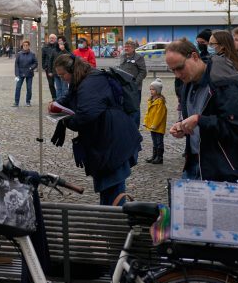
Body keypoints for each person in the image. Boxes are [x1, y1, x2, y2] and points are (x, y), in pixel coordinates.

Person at [51, 54, 142, 205]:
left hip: (111, 139)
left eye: (63, 75)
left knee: (113, 185)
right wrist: (56, 104)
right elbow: (70, 95)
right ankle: (107, 214)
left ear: (72, 70)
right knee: (108, 184)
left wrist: (65, 120)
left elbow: (86, 115)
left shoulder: (90, 82)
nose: (62, 78)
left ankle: (113, 220)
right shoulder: (83, 78)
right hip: (106, 136)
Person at [165, 38, 238, 182]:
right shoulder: (187, 84)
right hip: (194, 166)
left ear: (194, 56)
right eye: (173, 70)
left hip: (223, 172)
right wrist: (183, 126)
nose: (177, 75)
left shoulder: (223, 83)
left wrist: (199, 120)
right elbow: (197, 119)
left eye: (180, 67)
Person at [118, 39, 148, 127]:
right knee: (124, 105)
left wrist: (135, 83)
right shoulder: (122, 56)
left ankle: (135, 126)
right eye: (125, 46)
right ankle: (126, 124)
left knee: (135, 107)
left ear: (133, 48)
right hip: (123, 86)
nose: (126, 48)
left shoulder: (138, 57)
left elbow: (143, 72)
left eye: (128, 47)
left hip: (135, 87)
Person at [143, 78, 168, 165]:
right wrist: (146, 121)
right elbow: (148, 113)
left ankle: (159, 157)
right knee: (154, 142)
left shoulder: (160, 102)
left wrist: (154, 124)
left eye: (153, 89)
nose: (151, 91)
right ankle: (154, 156)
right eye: (150, 89)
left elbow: (159, 115)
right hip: (152, 126)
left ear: (158, 90)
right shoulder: (151, 100)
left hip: (158, 126)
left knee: (159, 142)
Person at [14, 41, 38, 107]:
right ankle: (16, 102)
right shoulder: (19, 54)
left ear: (29, 46)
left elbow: (36, 63)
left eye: (27, 45)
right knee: (18, 87)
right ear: (22, 46)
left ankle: (28, 101)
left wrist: (31, 68)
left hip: (29, 73)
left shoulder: (32, 54)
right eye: (24, 45)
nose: (25, 46)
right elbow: (16, 64)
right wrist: (16, 74)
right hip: (20, 73)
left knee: (29, 88)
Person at [41, 34, 59, 100]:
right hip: (48, 69)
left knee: (59, 84)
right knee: (51, 84)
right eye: (50, 38)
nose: (51, 39)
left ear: (56, 39)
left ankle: (59, 97)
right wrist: (44, 66)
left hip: (57, 68)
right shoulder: (45, 48)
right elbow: (42, 58)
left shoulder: (58, 47)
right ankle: (54, 97)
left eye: (53, 38)